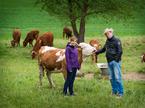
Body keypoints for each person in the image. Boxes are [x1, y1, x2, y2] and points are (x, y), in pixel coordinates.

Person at [95, 28, 124, 97]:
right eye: (106, 34)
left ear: (111, 32)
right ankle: (114, 91)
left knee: (117, 77)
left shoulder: (117, 40)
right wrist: (96, 52)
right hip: (109, 62)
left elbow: (120, 51)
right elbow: (103, 49)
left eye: (108, 33)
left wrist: (115, 60)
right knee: (111, 78)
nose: (107, 35)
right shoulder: (107, 41)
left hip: (115, 62)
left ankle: (120, 93)